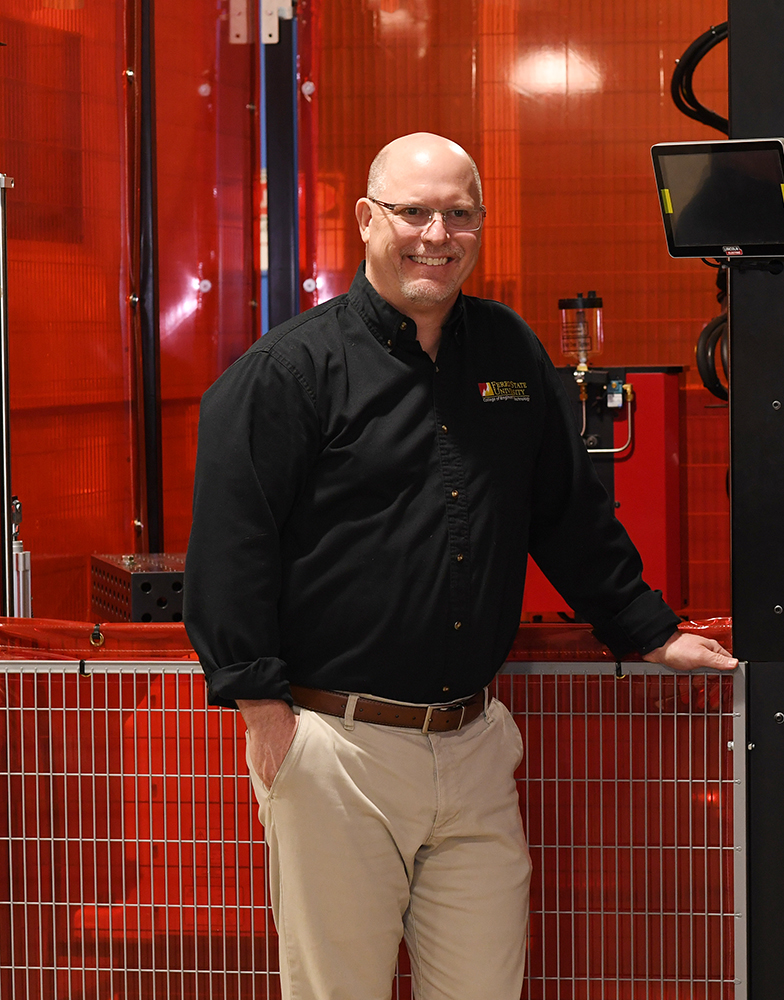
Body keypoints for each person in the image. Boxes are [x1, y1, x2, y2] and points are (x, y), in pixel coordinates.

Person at [184, 132, 736, 1000]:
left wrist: (650, 632)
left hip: (475, 746)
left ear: (480, 224)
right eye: (413, 212)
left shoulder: (509, 353)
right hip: (337, 749)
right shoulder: (288, 372)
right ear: (367, 220)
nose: (435, 234)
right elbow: (230, 544)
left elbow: (567, 513)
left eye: (458, 214)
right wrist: (265, 714)